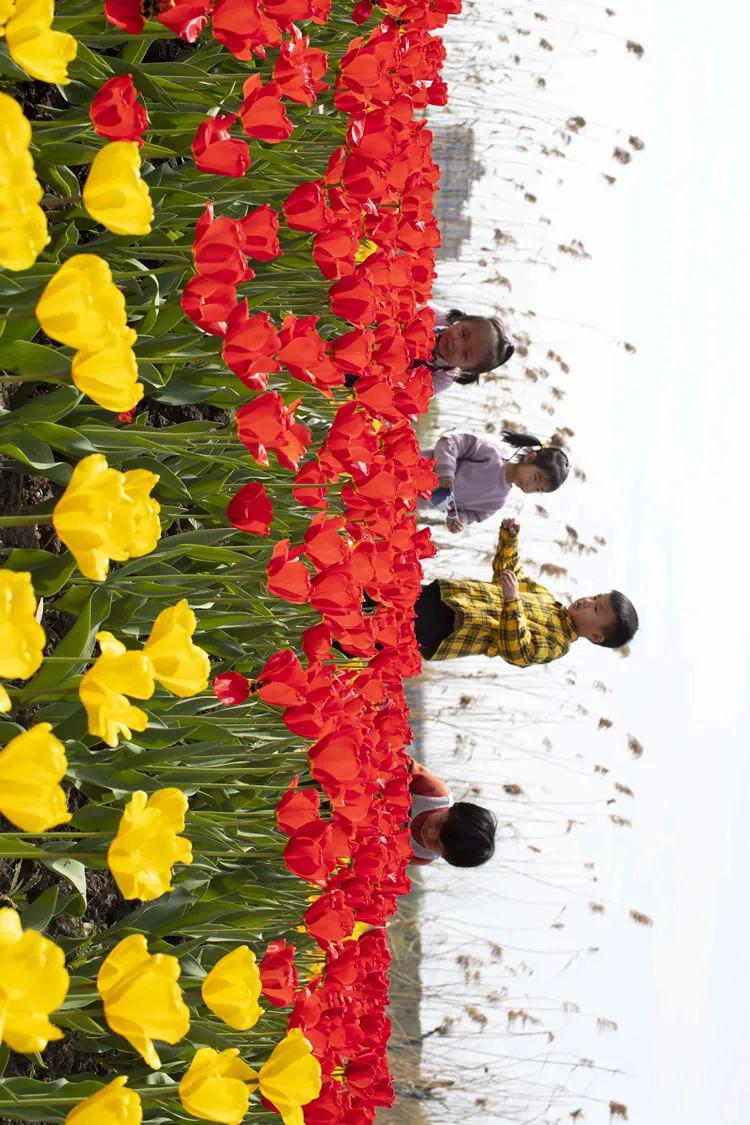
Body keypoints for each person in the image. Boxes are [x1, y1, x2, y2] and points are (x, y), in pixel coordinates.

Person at [412, 518, 639, 665]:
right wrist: (509, 540)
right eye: (595, 597)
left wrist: (512, 601)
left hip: (447, 627)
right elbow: (510, 575)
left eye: (597, 609)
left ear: (596, 636)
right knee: (382, 597)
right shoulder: (545, 597)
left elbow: (519, 651)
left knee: (384, 626)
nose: (587, 601)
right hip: (445, 595)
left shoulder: (558, 644)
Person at [421, 429, 569, 532]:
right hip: (413, 465)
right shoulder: (490, 454)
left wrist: (459, 521)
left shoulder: (496, 502)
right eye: (536, 477)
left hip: (415, 500)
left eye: (538, 489)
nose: (531, 486)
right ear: (530, 457)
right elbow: (449, 442)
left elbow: (470, 515)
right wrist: (445, 474)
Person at [343, 306, 515, 391]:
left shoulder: (443, 379)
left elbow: (408, 394)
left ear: (466, 369)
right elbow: (396, 308)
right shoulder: (433, 316)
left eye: (465, 354)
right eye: (463, 333)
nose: (457, 344)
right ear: (461, 320)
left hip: (370, 374)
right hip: (366, 331)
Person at [407, 754, 496, 868]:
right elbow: (396, 760)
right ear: (451, 809)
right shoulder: (435, 793)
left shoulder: (422, 856)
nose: (429, 832)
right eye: (438, 824)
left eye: (436, 843)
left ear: (443, 856)